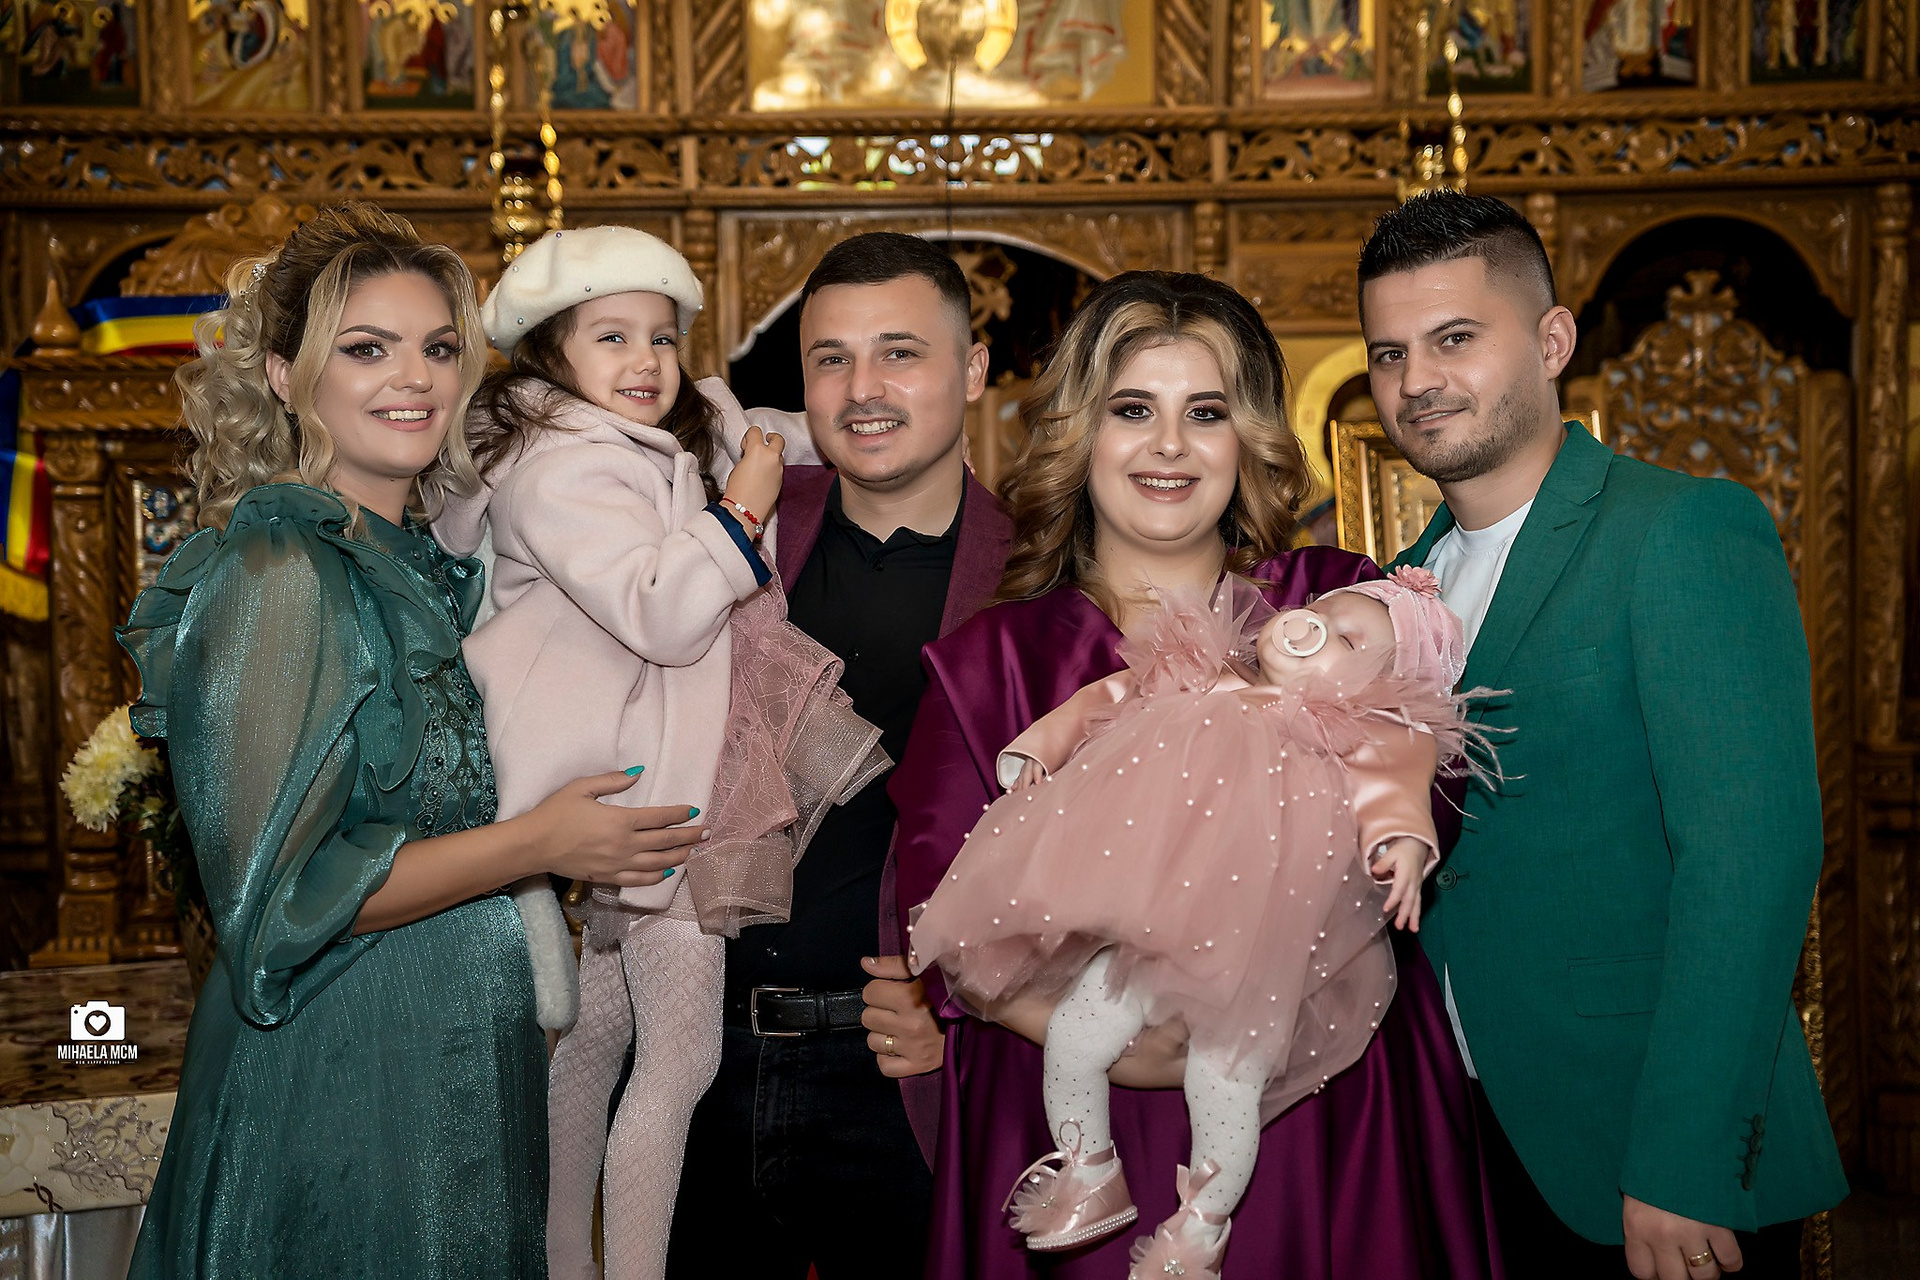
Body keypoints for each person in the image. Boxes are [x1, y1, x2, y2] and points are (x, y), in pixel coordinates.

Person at [120, 202, 702, 1278]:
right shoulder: (280, 573)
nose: (415, 378)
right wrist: (539, 841)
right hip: (339, 1087)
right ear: (286, 374)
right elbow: (278, 904)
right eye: (366, 348)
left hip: (464, 1074)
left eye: (439, 348)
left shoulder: (433, 566)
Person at [890, 269, 1504, 1279]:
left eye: (1206, 412)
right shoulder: (989, 666)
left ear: (1249, 438)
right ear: (1082, 433)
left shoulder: (1339, 608)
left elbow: (1424, 798)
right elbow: (940, 923)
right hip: (1074, 1102)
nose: (1169, 445)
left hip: (1320, 1111)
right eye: (1133, 409)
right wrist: (1138, 1048)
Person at [1361, 188, 1848, 1280]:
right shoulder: (1397, 585)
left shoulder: (1681, 527)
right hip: (1458, 1142)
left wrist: (1684, 1158)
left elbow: (1752, 860)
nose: (1417, 380)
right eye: (1389, 353)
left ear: (1552, 340)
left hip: (1643, 1148)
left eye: (1454, 338)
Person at [435, 224, 888, 1280]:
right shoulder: (560, 469)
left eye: (662, 336)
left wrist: (831, 430)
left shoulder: (638, 436)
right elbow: (666, 613)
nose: (646, 360)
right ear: (550, 349)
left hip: (632, 770)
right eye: (612, 336)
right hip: (648, 793)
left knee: (595, 1045)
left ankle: (566, 1264)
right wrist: (745, 505)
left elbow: (764, 426)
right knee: (680, 1061)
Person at [911, 566, 1484, 1279]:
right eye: (1320, 610)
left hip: (1258, 952)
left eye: (1349, 641)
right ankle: (1089, 1168)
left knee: (1223, 1082)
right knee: (1075, 1035)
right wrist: (1041, 745)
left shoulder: (1357, 733)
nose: (1314, 627)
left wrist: (1402, 842)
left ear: (1384, 686)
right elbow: (1108, 697)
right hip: (1146, 930)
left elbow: (1398, 782)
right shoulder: (1207, 673)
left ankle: (1201, 1227)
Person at [666, 232, 1014, 1277]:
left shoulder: (1035, 575)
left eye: (900, 353)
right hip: (701, 1062)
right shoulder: (733, 534)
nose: (863, 389)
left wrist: (969, 1011)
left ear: (974, 369)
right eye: (832, 359)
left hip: (904, 1079)